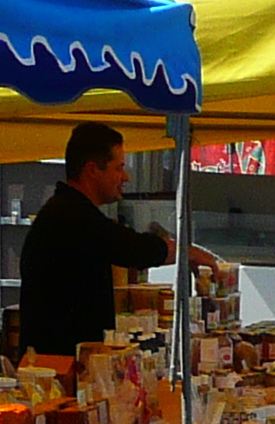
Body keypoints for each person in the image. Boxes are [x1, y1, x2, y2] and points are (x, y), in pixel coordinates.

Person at [15, 122, 169, 355]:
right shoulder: (71, 216)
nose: (125, 176)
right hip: (58, 365)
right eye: (118, 168)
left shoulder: (71, 211)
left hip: (68, 360)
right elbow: (133, 248)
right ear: (92, 170)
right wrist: (190, 254)